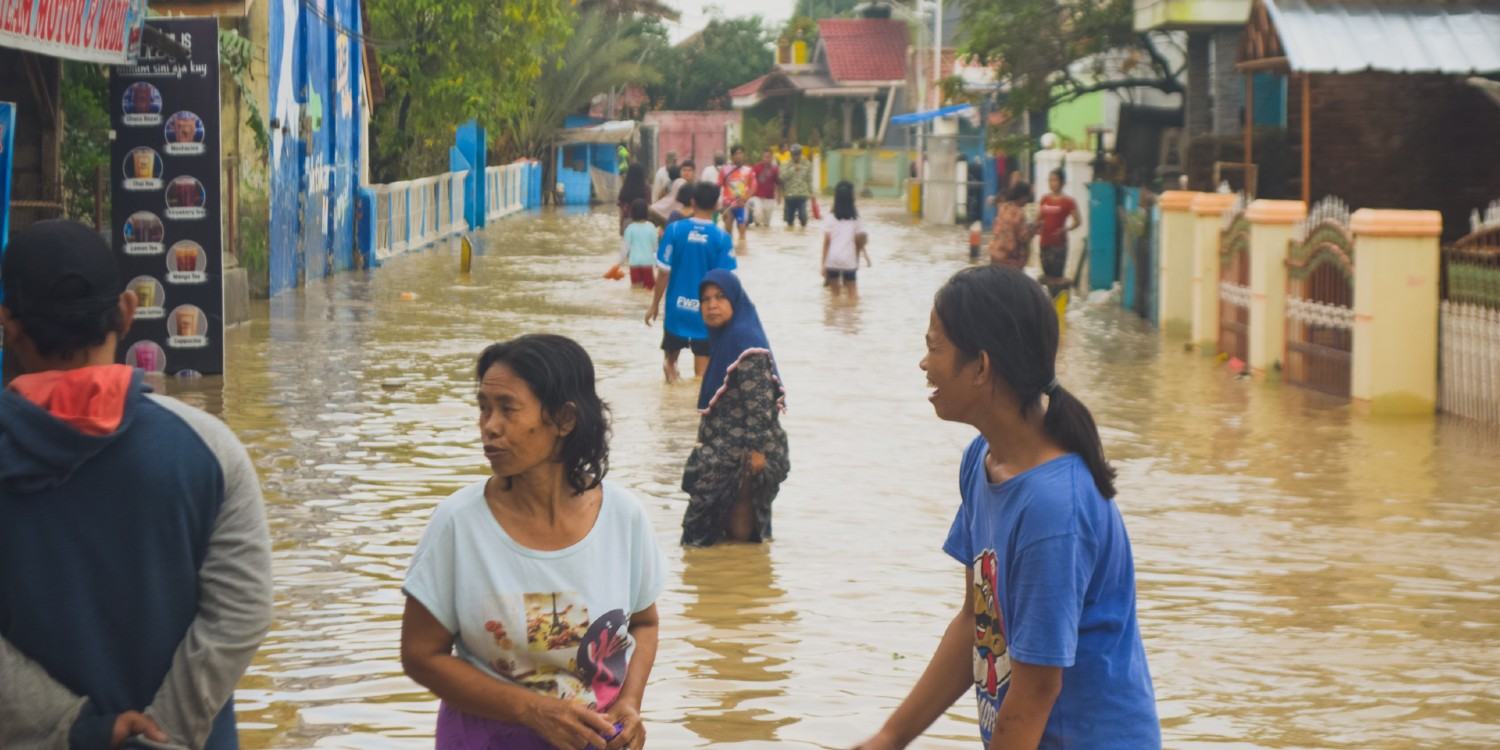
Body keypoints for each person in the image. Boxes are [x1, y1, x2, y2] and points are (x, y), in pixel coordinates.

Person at [856, 265, 1159, 750]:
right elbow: (976, 620)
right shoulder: (982, 460)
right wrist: (891, 737)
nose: (924, 364)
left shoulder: (1054, 509)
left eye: (935, 347)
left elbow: (1037, 688)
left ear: (981, 367)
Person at [0, 220, 274, 749]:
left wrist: (77, 729)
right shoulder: (210, 450)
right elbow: (243, 612)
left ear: (8, 323)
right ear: (127, 311)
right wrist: (160, 736)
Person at [402, 334, 667, 750]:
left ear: (564, 419)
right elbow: (420, 655)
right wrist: (530, 710)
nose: (489, 426)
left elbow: (644, 623)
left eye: (507, 409)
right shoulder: (458, 524)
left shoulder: (622, 517)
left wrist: (629, 703)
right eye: (484, 408)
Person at [681, 269, 789, 547]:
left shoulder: (744, 342)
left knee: (734, 536)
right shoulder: (727, 339)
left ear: (735, 300)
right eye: (705, 299)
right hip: (723, 453)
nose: (711, 305)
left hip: (742, 458)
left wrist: (755, 453)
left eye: (720, 297)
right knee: (717, 536)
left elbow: (760, 403)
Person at [646, 182, 737, 383]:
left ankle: (670, 392)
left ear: (693, 202)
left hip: (676, 309)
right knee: (701, 377)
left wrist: (654, 305)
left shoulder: (674, 230)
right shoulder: (722, 237)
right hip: (707, 312)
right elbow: (726, 281)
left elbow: (663, 272)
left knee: (670, 363)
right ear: (716, 205)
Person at [821, 181, 869, 298]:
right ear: (851, 198)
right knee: (852, 292)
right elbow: (860, 241)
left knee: (834, 295)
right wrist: (858, 260)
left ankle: (834, 309)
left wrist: (823, 264)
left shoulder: (829, 218)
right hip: (848, 260)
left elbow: (827, 241)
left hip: (832, 260)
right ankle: (852, 310)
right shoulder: (856, 219)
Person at [1037, 169, 1081, 290]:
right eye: (1050, 180)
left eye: (1055, 180)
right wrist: (1037, 228)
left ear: (1062, 182)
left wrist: (1065, 229)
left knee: (1057, 279)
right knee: (1046, 277)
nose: (1052, 183)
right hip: (1044, 242)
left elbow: (1078, 221)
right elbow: (1038, 218)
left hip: (1059, 245)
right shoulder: (1044, 199)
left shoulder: (1068, 202)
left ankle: (1057, 299)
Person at [989, 182, 1037, 269]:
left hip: (996, 253)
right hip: (1011, 258)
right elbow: (1023, 237)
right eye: (1027, 198)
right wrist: (1033, 231)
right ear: (1022, 197)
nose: (1027, 201)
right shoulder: (1018, 212)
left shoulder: (1003, 207)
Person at [719, 146, 756, 247]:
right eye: (736, 153)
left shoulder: (749, 170)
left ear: (744, 155)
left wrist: (745, 198)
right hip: (728, 204)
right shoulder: (724, 170)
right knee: (728, 229)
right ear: (732, 156)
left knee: (742, 227)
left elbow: (753, 186)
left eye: (741, 153)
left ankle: (741, 248)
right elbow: (719, 185)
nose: (739, 156)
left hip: (742, 205)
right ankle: (728, 248)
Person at [620, 199, 657, 290]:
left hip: (634, 264)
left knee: (636, 288)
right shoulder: (651, 227)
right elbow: (655, 248)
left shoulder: (630, 228)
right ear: (646, 212)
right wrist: (657, 263)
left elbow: (624, 249)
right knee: (649, 288)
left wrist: (618, 263)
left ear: (632, 212)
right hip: (647, 263)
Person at [779, 145, 813, 230]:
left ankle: (803, 232)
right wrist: (792, 170)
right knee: (789, 220)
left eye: (797, 154)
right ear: (791, 154)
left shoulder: (807, 164)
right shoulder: (785, 164)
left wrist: (812, 193)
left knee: (803, 217)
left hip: (802, 195)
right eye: (794, 155)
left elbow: (809, 179)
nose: (796, 157)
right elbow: (782, 177)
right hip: (790, 195)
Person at [616, 163, 650, 235]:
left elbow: (621, 210)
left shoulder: (624, 189)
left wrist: (621, 225)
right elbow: (648, 207)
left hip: (627, 222)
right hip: (642, 222)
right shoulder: (646, 189)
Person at [750, 149, 779, 229]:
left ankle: (764, 230)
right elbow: (751, 181)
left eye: (768, 157)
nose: (766, 159)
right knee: (758, 217)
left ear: (771, 157)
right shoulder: (756, 168)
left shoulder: (775, 169)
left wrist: (779, 197)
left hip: (770, 198)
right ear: (762, 157)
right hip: (757, 197)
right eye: (764, 157)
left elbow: (778, 183)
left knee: (767, 223)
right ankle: (757, 226)